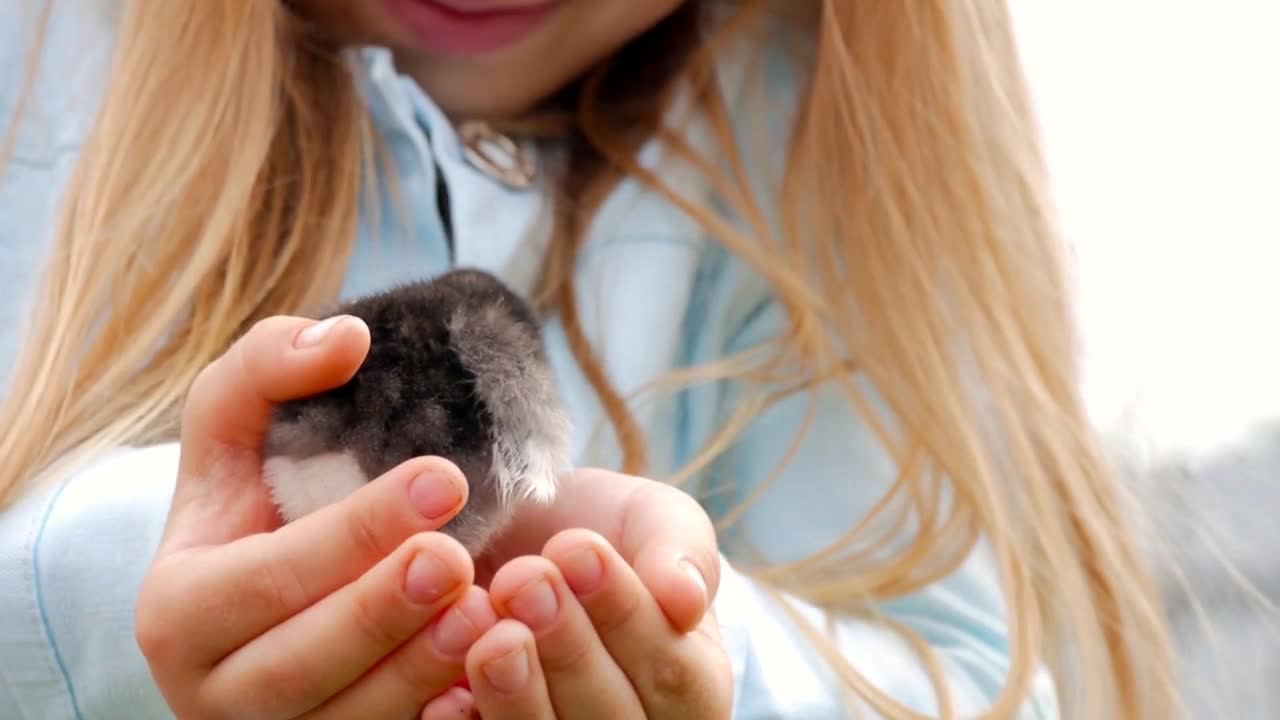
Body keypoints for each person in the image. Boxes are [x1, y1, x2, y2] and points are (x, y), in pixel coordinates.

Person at [0, 1, 1180, 718]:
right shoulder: (40, 61)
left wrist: (689, 644)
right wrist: (125, 592)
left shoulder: (808, 112)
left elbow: (970, 685)